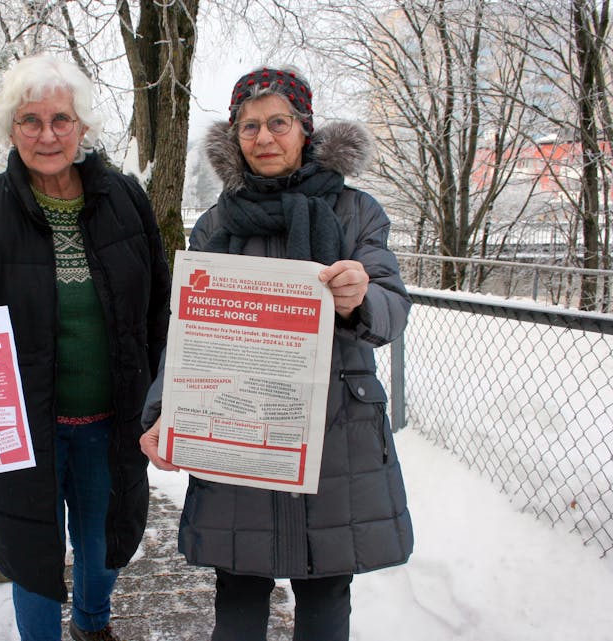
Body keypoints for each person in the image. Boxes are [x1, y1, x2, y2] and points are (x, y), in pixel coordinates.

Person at [140, 66, 414, 641]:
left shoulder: (354, 212)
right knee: (238, 590)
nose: (264, 138)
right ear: (235, 138)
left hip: (334, 431)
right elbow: (187, 326)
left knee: (326, 593)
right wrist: (165, 409)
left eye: (278, 123)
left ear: (304, 129)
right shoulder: (216, 222)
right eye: (249, 126)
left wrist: (359, 297)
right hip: (239, 426)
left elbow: (392, 304)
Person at [0, 54, 171, 641]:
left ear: (83, 126)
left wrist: (167, 396)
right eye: (29, 120)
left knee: (101, 537)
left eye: (61, 118)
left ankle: (93, 623)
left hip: (111, 418)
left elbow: (158, 302)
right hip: (19, 429)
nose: (47, 134)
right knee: (31, 547)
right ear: (11, 129)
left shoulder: (125, 198)